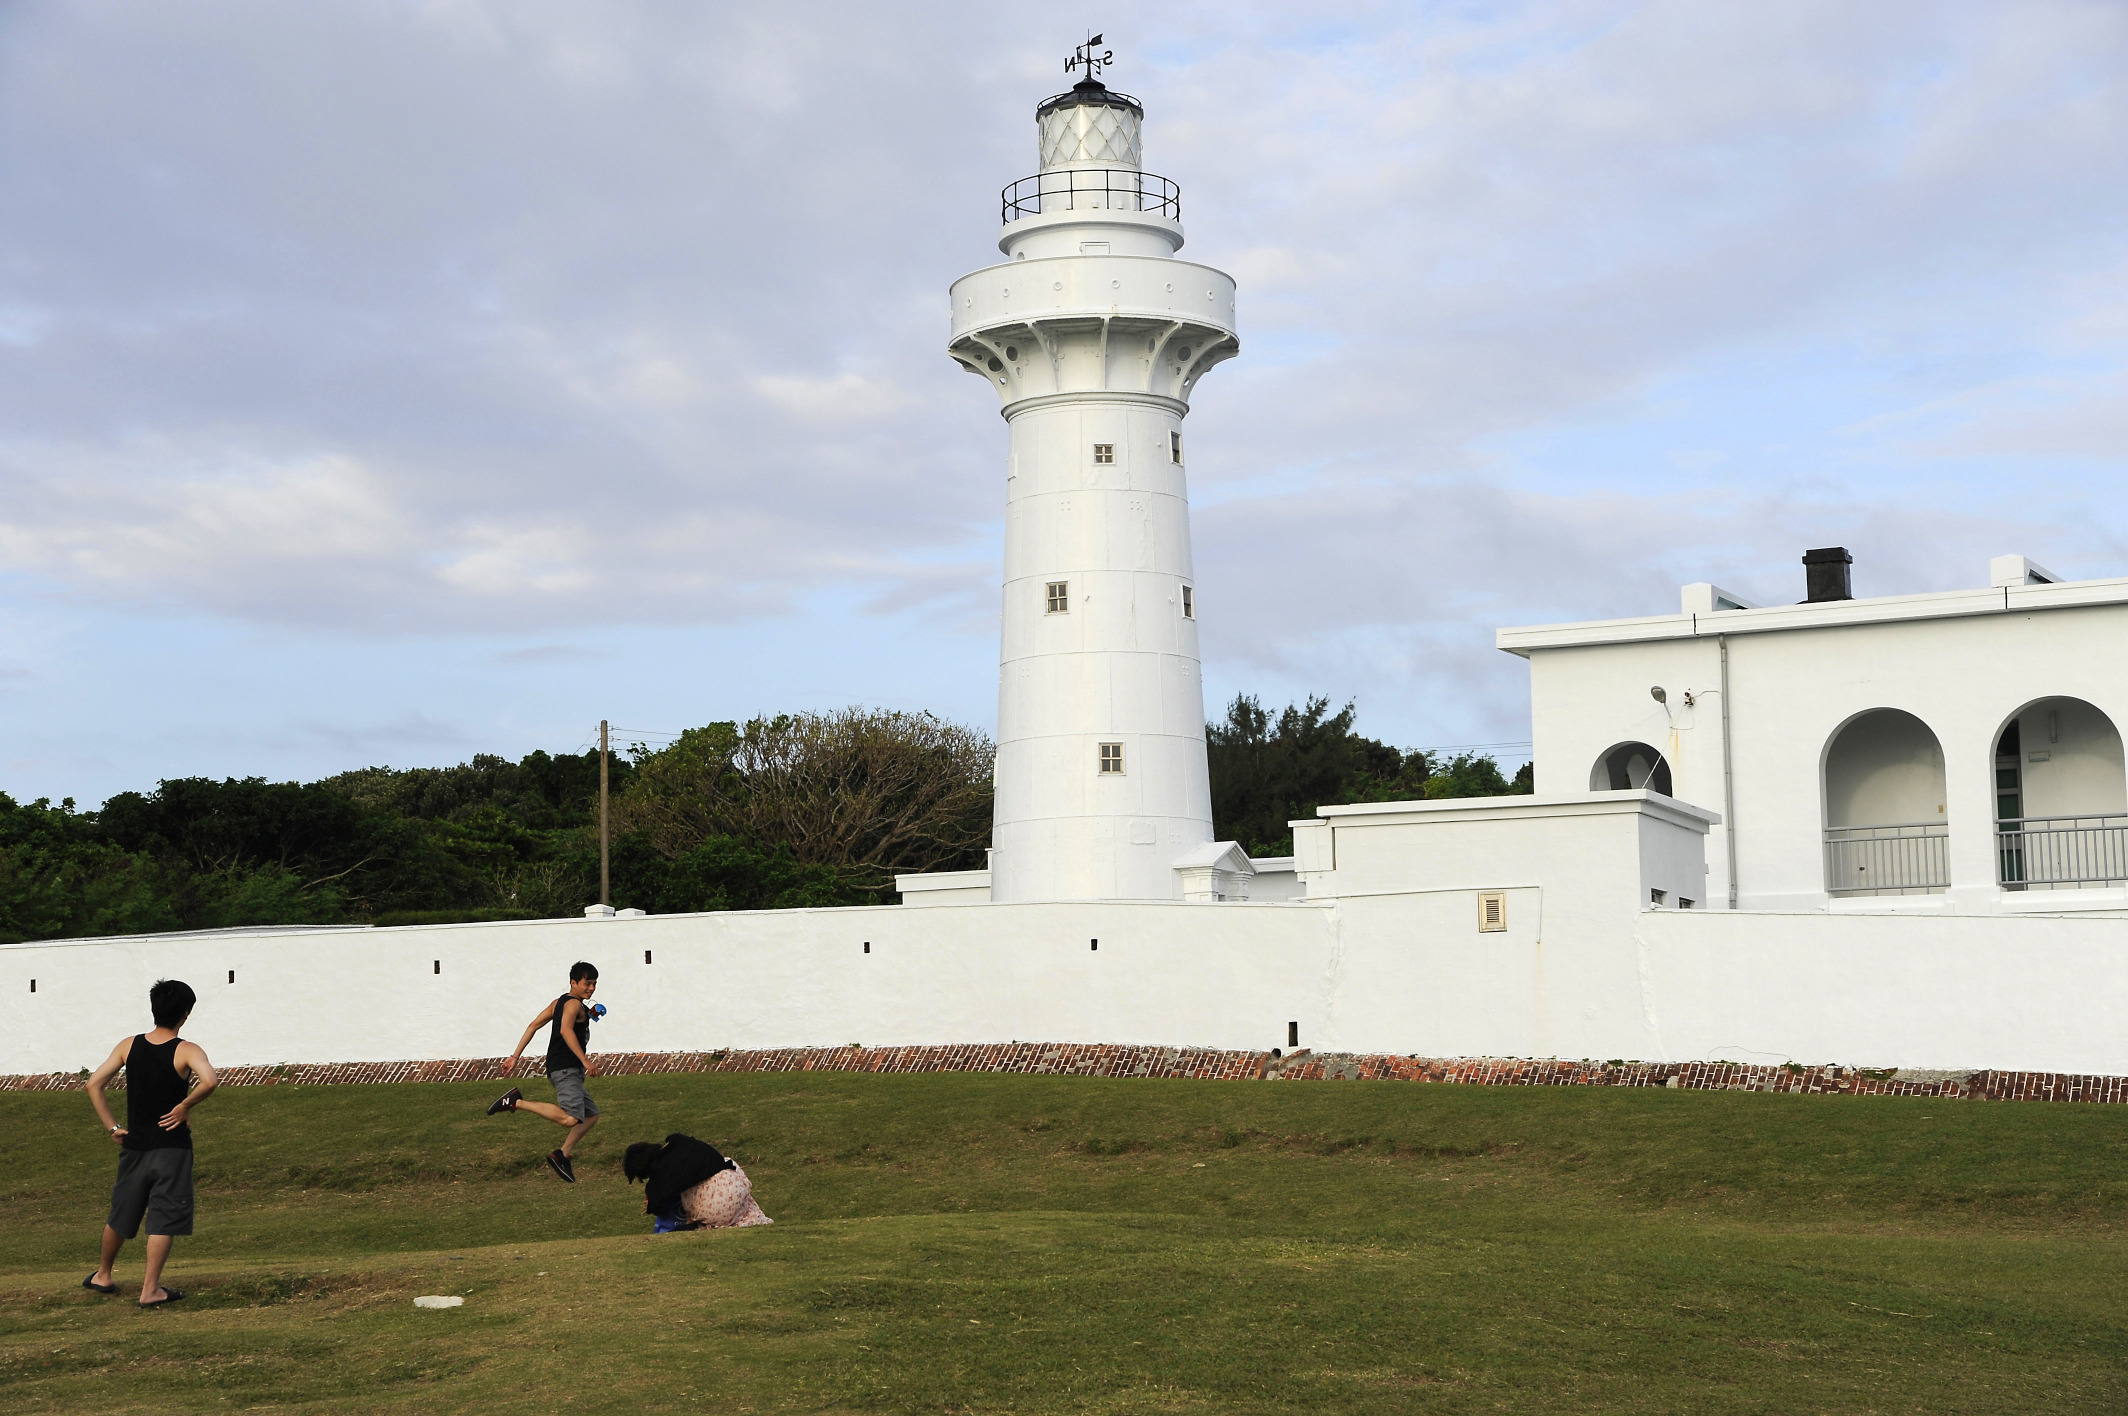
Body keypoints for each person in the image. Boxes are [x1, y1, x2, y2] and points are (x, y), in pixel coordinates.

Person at [83, 978, 218, 1308]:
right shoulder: (187, 1050)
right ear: (185, 1014)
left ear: (154, 1008)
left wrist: (113, 1126)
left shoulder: (129, 1046)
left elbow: (93, 1084)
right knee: (163, 1216)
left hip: (134, 1145)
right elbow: (211, 1080)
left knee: (122, 1212)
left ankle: (102, 1275)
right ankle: (150, 1289)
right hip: (172, 1148)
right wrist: (185, 1106)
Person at [486, 961, 602, 1182]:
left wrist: (514, 1056)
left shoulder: (559, 1003)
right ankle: (515, 1102)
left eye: (595, 984)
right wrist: (586, 1061)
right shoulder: (573, 1005)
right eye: (587, 983)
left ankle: (562, 1154)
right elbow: (565, 1030)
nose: (591, 988)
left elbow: (533, 1025)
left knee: (591, 1115)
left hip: (566, 1068)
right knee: (570, 1119)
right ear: (573, 982)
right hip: (566, 1068)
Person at [622, 1133, 773, 1232]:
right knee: (725, 1161)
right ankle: (745, 1215)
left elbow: (656, 1207)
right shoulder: (680, 1140)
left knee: (686, 1192)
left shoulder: (658, 1181)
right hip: (736, 1188)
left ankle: (711, 1221)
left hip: (714, 1212)